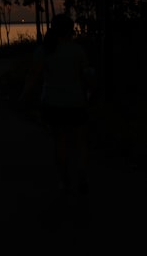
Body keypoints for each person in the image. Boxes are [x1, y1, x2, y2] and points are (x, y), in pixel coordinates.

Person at [21, 13, 94, 197]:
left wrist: (24, 97)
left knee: (60, 142)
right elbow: (87, 77)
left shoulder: (44, 51)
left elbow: (33, 77)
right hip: (76, 102)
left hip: (52, 102)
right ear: (71, 30)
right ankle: (82, 179)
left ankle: (63, 181)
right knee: (80, 142)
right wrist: (90, 93)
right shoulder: (78, 51)